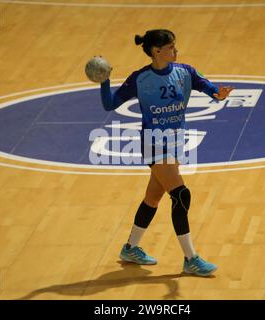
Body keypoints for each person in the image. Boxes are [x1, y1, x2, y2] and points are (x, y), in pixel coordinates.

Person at [99, 29, 233, 276]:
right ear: (156, 51)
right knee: (181, 195)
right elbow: (110, 104)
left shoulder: (185, 72)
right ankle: (190, 258)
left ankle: (130, 248)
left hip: (175, 142)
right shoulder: (140, 79)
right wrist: (104, 80)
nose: (176, 50)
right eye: (171, 47)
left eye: (175, 45)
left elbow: (208, 87)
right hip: (153, 142)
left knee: (153, 198)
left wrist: (219, 93)